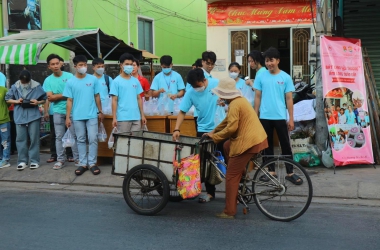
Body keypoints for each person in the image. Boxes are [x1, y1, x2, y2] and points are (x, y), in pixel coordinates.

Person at [202, 77, 268, 219]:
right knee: (227, 146)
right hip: (256, 138)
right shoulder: (239, 100)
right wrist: (213, 132)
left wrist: (215, 138)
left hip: (249, 142)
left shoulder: (234, 104)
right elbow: (226, 122)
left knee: (231, 177)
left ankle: (229, 211)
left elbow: (231, 128)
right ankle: (242, 174)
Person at [254, 47, 302, 185]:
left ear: (278, 61)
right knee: (266, 145)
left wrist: (291, 118)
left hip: (280, 116)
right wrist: (255, 116)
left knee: (285, 145)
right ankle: (271, 171)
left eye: (271, 60)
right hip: (264, 117)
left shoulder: (285, 77)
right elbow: (257, 96)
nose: (269, 64)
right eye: (267, 61)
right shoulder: (261, 76)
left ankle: (290, 172)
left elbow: (289, 99)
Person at [173, 68, 221, 203]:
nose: (196, 88)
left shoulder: (216, 83)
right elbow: (182, 111)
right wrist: (176, 129)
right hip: (204, 130)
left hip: (221, 128)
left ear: (205, 80)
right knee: (204, 161)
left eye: (198, 85)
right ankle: (210, 192)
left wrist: (225, 102)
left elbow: (232, 95)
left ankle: (237, 191)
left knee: (227, 160)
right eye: (194, 86)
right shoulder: (190, 93)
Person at [63, 55, 103, 176]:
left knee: (93, 138)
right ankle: (83, 163)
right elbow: (69, 100)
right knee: (80, 140)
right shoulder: (70, 82)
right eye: (80, 65)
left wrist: (100, 111)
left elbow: (97, 96)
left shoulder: (93, 80)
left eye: (85, 64)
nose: (83, 67)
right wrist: (67, 117)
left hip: (92, 115)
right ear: (75, 66)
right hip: (77, 116)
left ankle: (92, 163)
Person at [43, 54, 79, 170]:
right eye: (52, 64)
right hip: (57, 111)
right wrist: (65, 95)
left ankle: (77, 159)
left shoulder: (69, 76)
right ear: (49, 66)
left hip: (72, 110)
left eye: (57, 63)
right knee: (59, 136)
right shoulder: (48, 80)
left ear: (61, 64)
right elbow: (50, 97)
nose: (55, 66)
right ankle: (60, 160)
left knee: (74, 135)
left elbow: (73, 94)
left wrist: (57, 96)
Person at [5, 70, 46, 170]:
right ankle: (22, 161)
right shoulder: (15, 86)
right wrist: (17, 101)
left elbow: (44, 99)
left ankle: (34, 161)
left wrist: (37, 102)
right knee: (20, 139)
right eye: (22, 81)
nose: (24, 83)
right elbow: (7, 99)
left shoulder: (36, 86)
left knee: (34, 138)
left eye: (26, 82)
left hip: (33, 115)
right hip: (19, 115)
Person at [110, 53, 147, 132]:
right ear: (121, 65)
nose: (129, 66)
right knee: (123, 142)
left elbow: (139, 98)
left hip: (136, 117)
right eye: (127, 64)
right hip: (123, 118)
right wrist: (114, 118)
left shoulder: (135, 81)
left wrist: (142, 115)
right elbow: (114, 100)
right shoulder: (116, 81)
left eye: (131, 64)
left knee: (136, 142)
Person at [0, 86, 11, 168]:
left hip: (3, 120)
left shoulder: (3, 90)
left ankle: (5, 159)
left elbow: (9, 102)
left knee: (5, 141)